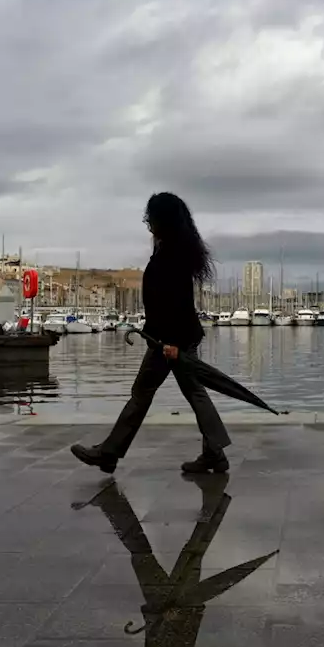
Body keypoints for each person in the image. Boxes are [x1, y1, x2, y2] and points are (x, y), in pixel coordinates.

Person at [70, 193, 231, 474]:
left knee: (145, 393)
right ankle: (213, 454)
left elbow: (175, 304)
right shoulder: (173, 250)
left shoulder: (170, 256)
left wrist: (170, 344)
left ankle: (109, 453)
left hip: (168, 341)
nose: (148, 224)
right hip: (171, 337)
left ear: (162, 220)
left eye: (151, 218)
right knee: (191, 392)